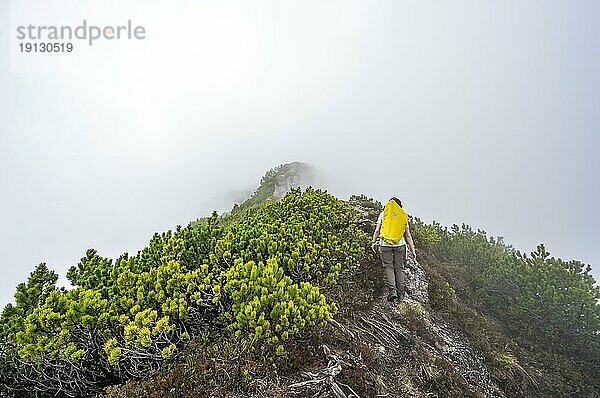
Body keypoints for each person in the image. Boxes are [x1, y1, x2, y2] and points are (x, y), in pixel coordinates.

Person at [371, 197, 416, 302]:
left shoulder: (383, 214)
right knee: (399, 268)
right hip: (400, 245)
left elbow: (377, 230)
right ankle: (401, 293)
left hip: (385, 245)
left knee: (389, 267)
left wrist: (373, 242)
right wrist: (412, 249)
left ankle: (392, 291)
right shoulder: (402, 216)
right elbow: (408, 236)